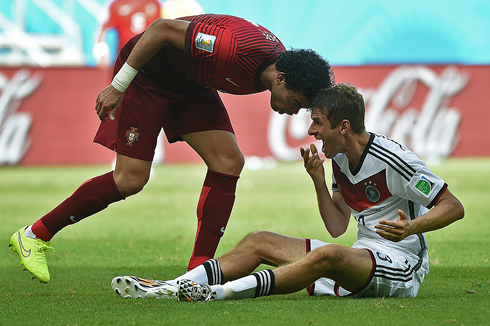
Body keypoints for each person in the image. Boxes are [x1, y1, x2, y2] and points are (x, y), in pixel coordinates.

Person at [9, 14, 335, 284]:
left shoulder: (278, 66)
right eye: (296, 103)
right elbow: (161, 29)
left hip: (190, 84)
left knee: (228, 161)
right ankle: (34, 235)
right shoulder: (231, 50)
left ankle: (199, 270)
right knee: (130, 180)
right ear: (280, 79)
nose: (294, 112)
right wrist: (118, 85)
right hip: (149, 76)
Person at [110, 84, 464, 301]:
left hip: (401, 267)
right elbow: (337, 226)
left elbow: (453, 206)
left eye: (317, 123)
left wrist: (411, 229)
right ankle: (172, 287)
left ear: (343, 127)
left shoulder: (392, 159)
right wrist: (317, 180)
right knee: (258, 240)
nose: (311, 130)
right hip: (361, 256)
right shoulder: (339, 159)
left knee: (329, 257)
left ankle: (218, 294)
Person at [93, 0, 161, 68]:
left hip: (149, 57)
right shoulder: (117, 4)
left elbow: (162, 31)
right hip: (126, 58)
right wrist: (102, 54)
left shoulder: (154, 3)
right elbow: (103, 30)